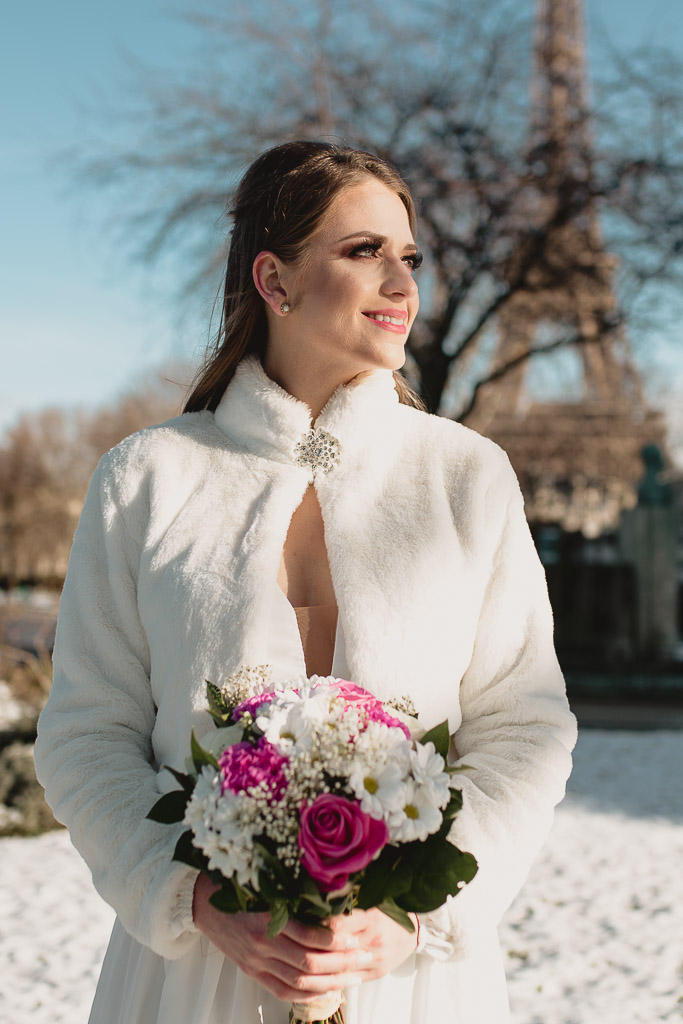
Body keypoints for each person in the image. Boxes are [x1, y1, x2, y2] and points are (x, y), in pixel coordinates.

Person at [35, 140, 577, 1024]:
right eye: (364, 252)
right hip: (190, 978)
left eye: (410, 258)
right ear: (273, 279)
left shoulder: (466, 476)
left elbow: (523, 722)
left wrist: (414, 917)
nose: (402, 285)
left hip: (412, 978)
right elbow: (86, 733)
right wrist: (195, 903)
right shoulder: (146, 478)